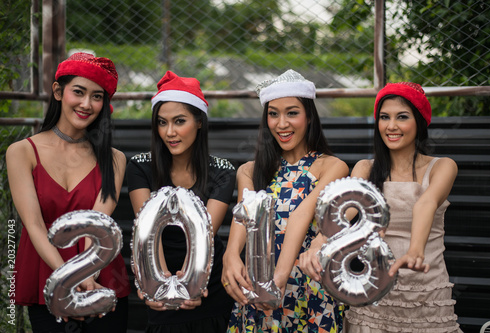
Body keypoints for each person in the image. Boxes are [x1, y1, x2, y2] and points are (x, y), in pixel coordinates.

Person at [299, 82, 462, 332]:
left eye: (402, 117)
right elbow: (343, 212)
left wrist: (415, 251)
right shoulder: (365, 169)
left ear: (420, 122)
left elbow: (425, 204)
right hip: (372, 293)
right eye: (384, 117)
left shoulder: (442, 166)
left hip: (424, 293)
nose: (391, 126)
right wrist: (318, 243)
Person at [7, 52, 131, 332]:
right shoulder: (22, 152)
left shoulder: (114, 158)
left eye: (97, 96)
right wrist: (68, 280)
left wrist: (87, 278)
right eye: (79, 92)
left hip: (100, 278)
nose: (87, 104)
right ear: (58, 91)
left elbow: (98, 227)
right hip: (46, 275)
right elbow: (35, 225)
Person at [223, 70, 349, 332]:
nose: (281, 123)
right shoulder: (249, 171)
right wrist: (231, 256)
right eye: (273, 114)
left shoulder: (332, 167)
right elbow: (243, 220)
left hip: (308, 290)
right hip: (257, 290)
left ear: (309, 116)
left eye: (292, 113)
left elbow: (302, 216)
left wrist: (279, 279)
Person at [126, 71, 236, 333]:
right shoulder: (140, 166)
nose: (170, 132)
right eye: (162, 123)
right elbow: (146, 232)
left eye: (179, 121)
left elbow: (204, 236)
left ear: (199, 122)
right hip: (157, 267)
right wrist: (157, 283)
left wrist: (193, 284)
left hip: (205, 278)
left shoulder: (222, 171)